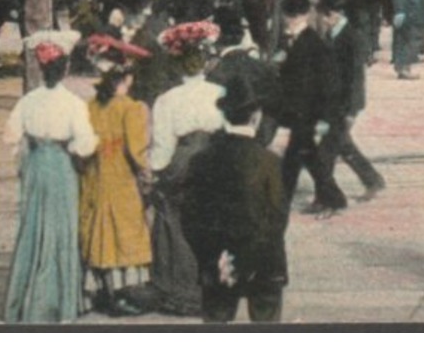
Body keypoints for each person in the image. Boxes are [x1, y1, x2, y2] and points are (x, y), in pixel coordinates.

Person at [3, 32, 98, 323]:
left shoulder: (29, 100)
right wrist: (74, 148)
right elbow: (84, 142)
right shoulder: (73, 104)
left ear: (42, 69)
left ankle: (25, 301)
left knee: (32, 226)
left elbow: (10, 135)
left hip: (35, 163)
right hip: (60, 165)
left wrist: (30, 147)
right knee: (60, 229)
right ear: (66, 68)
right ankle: (56, 303)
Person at [181, 72, 289, 322]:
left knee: (216, 322)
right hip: (265, 263)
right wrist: (251, 257)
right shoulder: (270, 162)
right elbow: (277, 219)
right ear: (256, 117)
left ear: (224, 115)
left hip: (217, 259)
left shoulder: (201, 160)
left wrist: (211, 255)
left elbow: (190, 217)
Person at [135, 19, 223, 316]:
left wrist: (155, 172)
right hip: (214, 160)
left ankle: (179, 289)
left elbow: (162, 148)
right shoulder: (219, 94)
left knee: (174, 218)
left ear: (177, 63)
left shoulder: (167, 100)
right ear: (206, 62)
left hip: (183, 161)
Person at [79, 40, 153, 316]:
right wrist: (148, 176)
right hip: (122, 181)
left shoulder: (91, 107)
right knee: (122, 234)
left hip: (95, 178)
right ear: (127, 77)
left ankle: (100, 289)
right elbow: (137, 151)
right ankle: (121, 295)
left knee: (98, 232)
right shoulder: (131, 108)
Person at [276, 0, 349, 217]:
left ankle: (282, 202)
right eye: (291, 15)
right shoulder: (303, 39)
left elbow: (321, 85)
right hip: (303, 112)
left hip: (307, 112)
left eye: (293, 15)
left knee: (296, 159)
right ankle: (333, 197)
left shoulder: (309, 43)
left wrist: (323, 117)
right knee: (305, 157)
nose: (291, 19)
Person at [314, 0, 385, 200]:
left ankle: (325, 198)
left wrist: (352, 110)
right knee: (343, 146)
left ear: (334, 15)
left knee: (325, 153)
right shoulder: (334, 34)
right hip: (335, 104)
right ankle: (372, 180)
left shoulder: (351, 38)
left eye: (324, 18)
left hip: (345, 105)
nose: (323, 22)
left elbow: (356, 77)